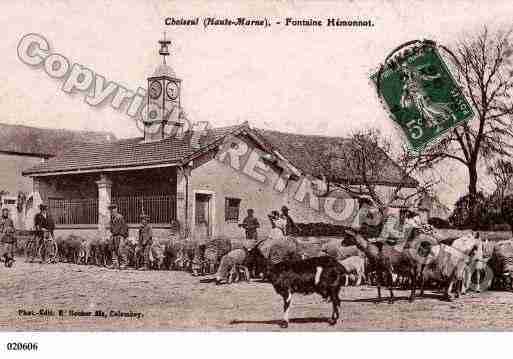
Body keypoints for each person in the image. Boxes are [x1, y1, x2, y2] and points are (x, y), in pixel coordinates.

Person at [107, 204, 129, 269]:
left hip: (120, 235)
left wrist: (123, 237)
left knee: (121, 250)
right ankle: (115, 263)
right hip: (114, 236)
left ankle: (124, 264)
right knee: (113, 250)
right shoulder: (112, 219)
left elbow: (125, 228)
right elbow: (111, 228)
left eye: (113, 209)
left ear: (116, 209)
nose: (111, 211)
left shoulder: (120, 217)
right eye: (110, 210)